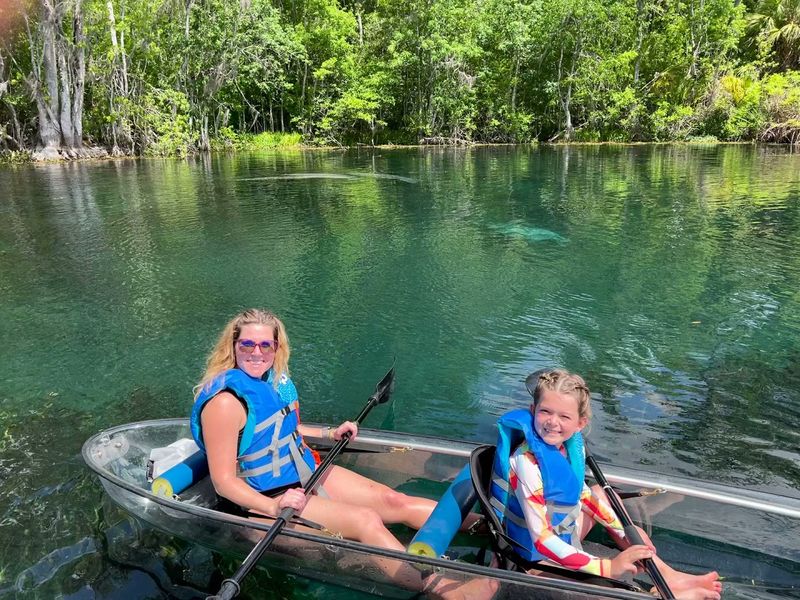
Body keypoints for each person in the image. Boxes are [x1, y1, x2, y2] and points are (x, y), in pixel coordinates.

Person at [190, 308, 495, 599]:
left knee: (394, 500)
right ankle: (445, 589)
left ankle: (490, 527)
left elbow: (279, 428)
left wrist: (328, 433)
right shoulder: (225, 403)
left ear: (276, 347)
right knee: (366, 521)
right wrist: (273, 507)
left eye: (265, 345)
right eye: (247, 344)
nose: (257, 353)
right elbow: (224, 482)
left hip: (305, 474)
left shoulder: (268, 381)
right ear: (233, 346)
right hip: (265, 502)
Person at [491, 369, 722, 600]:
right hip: (533, 561)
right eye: (545, 412)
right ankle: (658, 595)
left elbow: (583, 496)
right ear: (533, 411)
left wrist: (626, 535)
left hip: (564, 536)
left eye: (564, 416)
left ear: (580, 423)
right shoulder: (526, 463)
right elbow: (542, 540)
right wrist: (608, 567)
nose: (553, 422)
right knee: (610, 595)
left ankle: (666, 575)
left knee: (605, 501)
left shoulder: (565, 450)